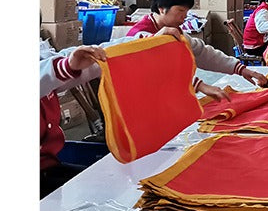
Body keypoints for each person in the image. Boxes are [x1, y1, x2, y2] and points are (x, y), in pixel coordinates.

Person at [40, 30, 183, 197]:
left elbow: (98, 56)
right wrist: (65, 66)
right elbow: (50, 73)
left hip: (49, 166)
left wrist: (145, 42)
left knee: (135, 189)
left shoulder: (44, 58)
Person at [127, 0, 268, 96]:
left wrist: (241, 69)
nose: (184, 17)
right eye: (181, 11)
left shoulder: (175, 31)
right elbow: (156, 70)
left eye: (186, 12)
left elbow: (201, 52)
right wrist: (199, 85)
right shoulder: (140, 33)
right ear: (162, 8)